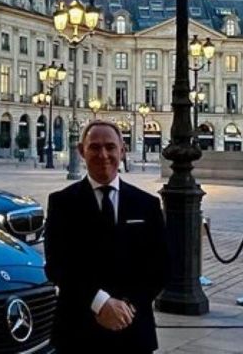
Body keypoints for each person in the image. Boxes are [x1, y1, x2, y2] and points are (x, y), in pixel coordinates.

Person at [44, 120, 169, 353]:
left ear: (122, 150)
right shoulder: (62, 203)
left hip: (132, 329)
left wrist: (125, 307)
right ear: (82, 151)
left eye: (110, 147)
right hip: (78, 330)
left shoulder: (146, 205)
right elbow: (57, 266)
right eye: (95, 147)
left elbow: (159, 267)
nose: (103, 155)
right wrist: (100, 303)